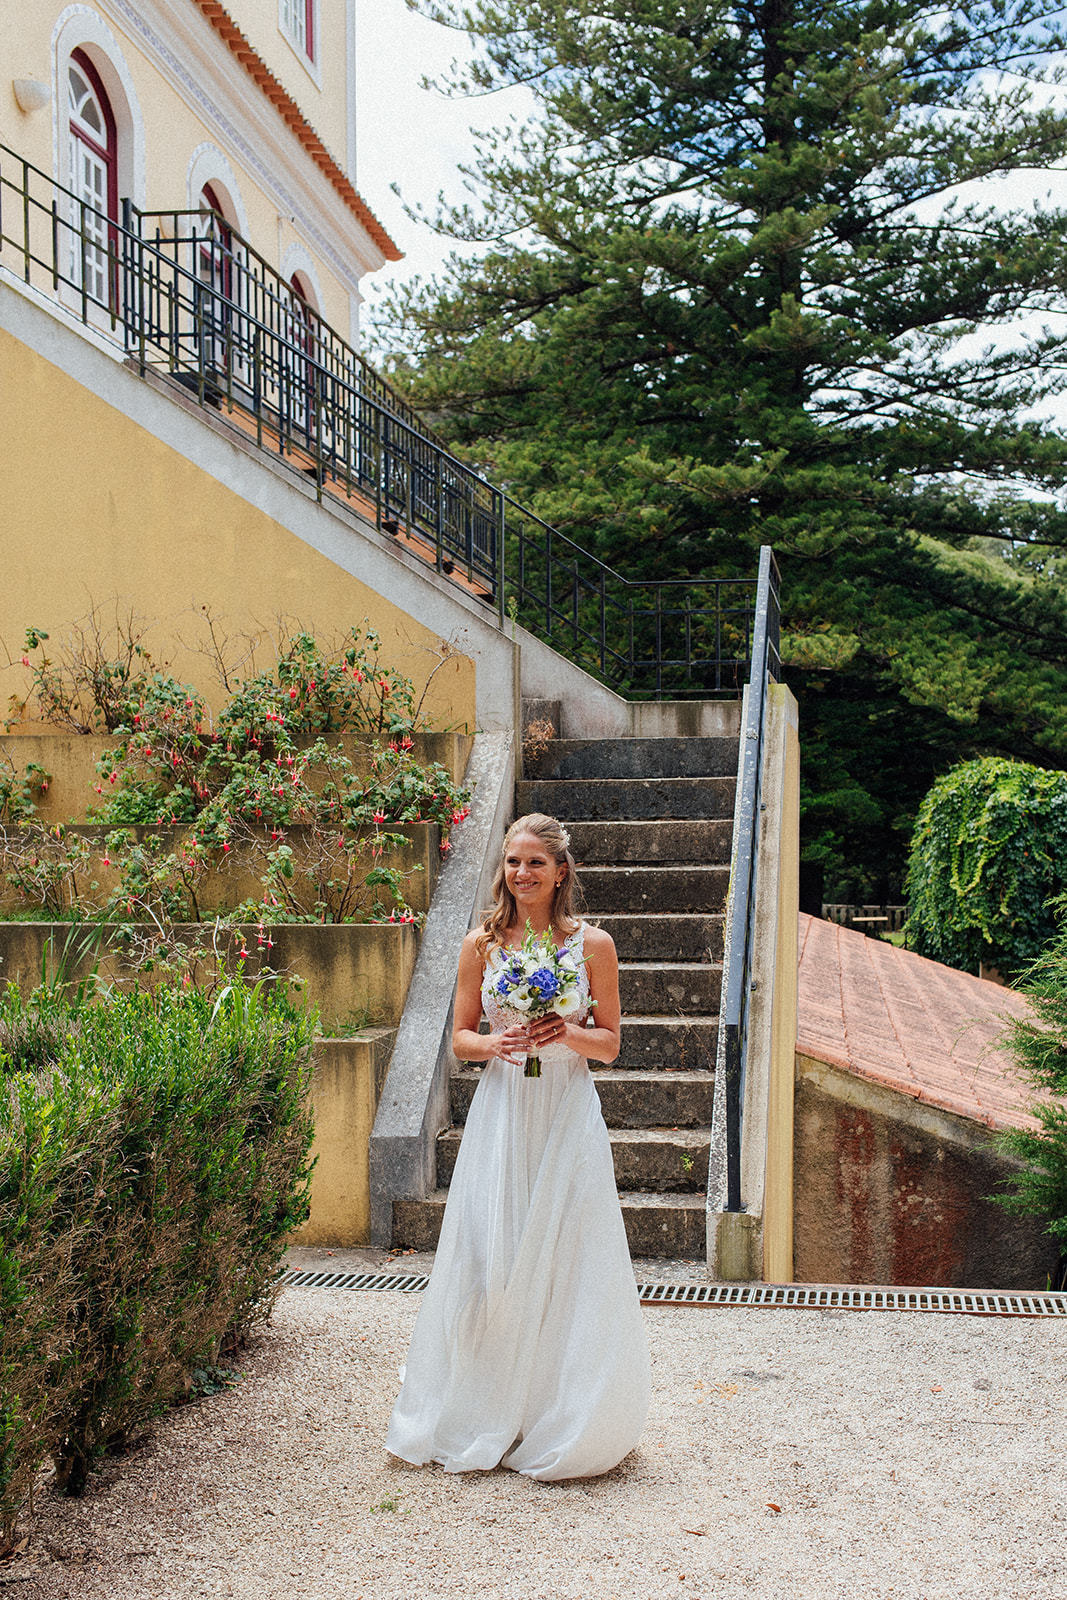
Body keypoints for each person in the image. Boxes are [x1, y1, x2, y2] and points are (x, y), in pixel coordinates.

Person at [386, 812, 651, 1481]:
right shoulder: (482, 943)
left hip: (564, 1109)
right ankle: (483, 1403)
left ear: (561, 869)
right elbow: (460, 1039)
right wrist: (496, 1045)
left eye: (535, 862)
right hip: (504, 1111)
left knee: (568, 1252)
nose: (521, 873)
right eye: (511, 861)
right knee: (492, 1251)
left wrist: (564, 1031)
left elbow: (611, 1045)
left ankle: (558, 1411)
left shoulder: (594, 946)